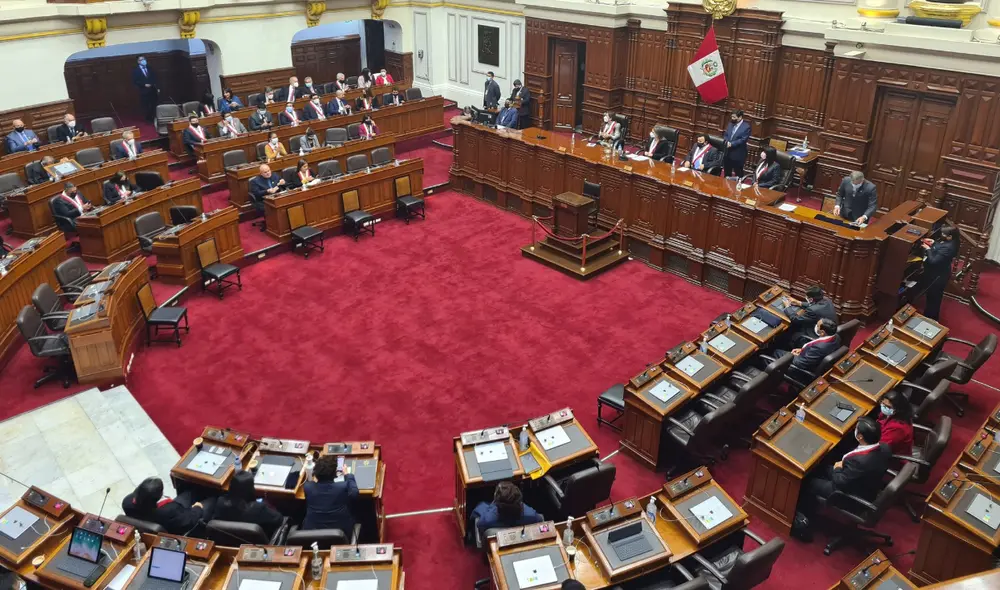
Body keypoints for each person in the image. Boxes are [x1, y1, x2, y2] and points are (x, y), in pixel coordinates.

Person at [792, 418, 890, 541]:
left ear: (860, 437)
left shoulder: (860, 462)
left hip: (848, 495)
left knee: (807, 481)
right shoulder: (884, 448)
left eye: (856, 429)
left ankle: (802, 517)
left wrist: (838, 467)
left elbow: (839, 482)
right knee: (821, 467)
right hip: (865, 486)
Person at [122, 477, 214, 536]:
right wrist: (197, 508)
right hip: (176, 527)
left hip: (166, 517)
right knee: (212, 500)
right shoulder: (169, 511)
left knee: (190, 493)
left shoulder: (127, 502)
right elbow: (188, 521)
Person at [213, 471, 285, 538]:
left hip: (229, 541)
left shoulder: (220, 502)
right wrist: (267, 503)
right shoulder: (258, 509)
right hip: (257, 542)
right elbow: (279, 519)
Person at [301, 455, 359, 532]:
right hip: (340, 534)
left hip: (312, 536)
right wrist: (347, 475)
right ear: (335, 474)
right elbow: (354, 493)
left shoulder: (308, 487)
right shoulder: (342, 487)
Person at [471, 481, 542, 539]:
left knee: (480, 506)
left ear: (496, 502)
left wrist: (492, 506)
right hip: (521, 539)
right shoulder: (531, 516)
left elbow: (479, 524)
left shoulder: (487, 520)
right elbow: (540, 520)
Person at [920, 225, 959, 320]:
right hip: (940, 272)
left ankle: (930, 319)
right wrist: (934, 243)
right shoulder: (953, 241)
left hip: (938, 276)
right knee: (932, 297)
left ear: (950, 236)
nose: (942, 235)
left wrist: (928, 249)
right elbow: (941, 245)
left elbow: (933, 261)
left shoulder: (949, 247)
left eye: (944, 234)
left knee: (933, 299)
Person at [877, 390, 914, 455]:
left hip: (892, 458)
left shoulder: (898, 428)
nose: (883, 407)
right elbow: (880, 421)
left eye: (888, 407)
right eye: (882, 403)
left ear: (897, 409)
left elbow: (880, 447)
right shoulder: (894, 414)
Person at [249, 164, 285, 230]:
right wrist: (267, 191)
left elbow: (282, 185)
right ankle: (273, 225)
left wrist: (283, 182)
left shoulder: (275, 175)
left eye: (268, 171)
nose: (268, 173)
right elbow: (256, 193)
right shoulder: (255, 181)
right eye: (265, 172)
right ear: (261, 173)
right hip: (264, 200)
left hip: (277, 197)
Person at [722, 110, 750, 178]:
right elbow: (726, 134)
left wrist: (732, 144)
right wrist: (726, 141)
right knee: (727, 172)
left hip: (738, 153)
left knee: (738, 173)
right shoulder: (730, 124)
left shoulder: (746, 127)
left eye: (734, 117)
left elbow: (743, 139)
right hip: (727, 152)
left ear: (740, 117)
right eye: (732, 116)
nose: (732, 118)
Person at [132, 56, 158, 123]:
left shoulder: (150, 68)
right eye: (141, 60)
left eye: (144, 59)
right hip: (143, 91)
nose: (143, 61)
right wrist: (144, 85)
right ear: (138, 62)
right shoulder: (136, 71)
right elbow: (135, 81)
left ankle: (154, 117)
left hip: (152, 89)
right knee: (146, 106)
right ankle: (148, 119)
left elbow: (154, 77)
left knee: (153, 104)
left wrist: (156, 87)